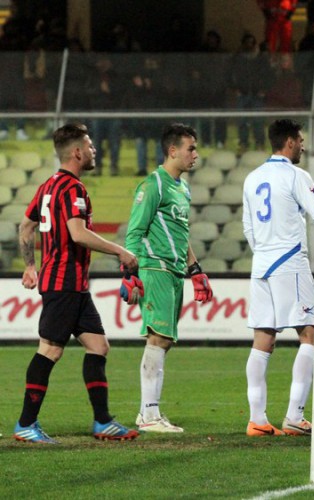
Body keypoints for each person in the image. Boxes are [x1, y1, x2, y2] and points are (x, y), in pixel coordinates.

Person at [14, 123, 140, 443]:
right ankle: (26, 424)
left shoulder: (47, 186)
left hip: (74, 285)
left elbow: (25, 226)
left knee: (98, 346)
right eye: (90, 145)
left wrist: (31, 266)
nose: (94, 150)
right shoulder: (73, 189)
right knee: (50, 350)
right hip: (64, 282)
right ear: (77, 152)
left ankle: (102, 421)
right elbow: (78, 233)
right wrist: (120, 251)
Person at [124, 123, 213, 433]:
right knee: (158, 337)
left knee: (165, 341)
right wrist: (130, 274)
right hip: (155, 267)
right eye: (190, 148)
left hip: (175, 271)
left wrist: (195, 268)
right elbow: (135, 230)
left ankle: (148, 413)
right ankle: (149, 416)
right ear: (172, 150)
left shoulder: (182, 188)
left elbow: (181, 232)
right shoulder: (153, 185)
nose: (195, 155)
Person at [243, 119, 314, 437]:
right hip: (290, 262)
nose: (303, 145)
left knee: (263, 340)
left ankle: (257, 419)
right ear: (289, 142)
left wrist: (265, 254)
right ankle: (294, 416)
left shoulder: (252, 178)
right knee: (310, 335)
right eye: (300, 140)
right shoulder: (296, 175)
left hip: (261, 265)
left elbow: (248, 228)